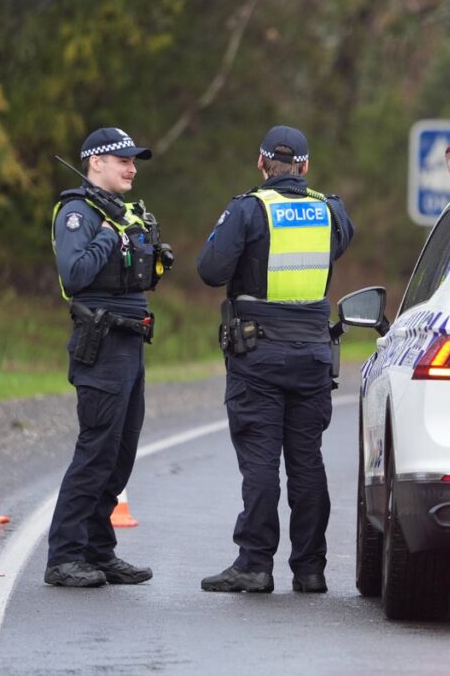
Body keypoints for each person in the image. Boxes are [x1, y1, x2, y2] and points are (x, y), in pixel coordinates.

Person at [197, 125, 354, 593]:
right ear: (305, 166)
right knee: (307, 462)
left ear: (261, 162)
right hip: (313, 354)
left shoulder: (248, 209)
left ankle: (254, 564)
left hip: (258, 354)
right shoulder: (331, 210)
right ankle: (310, 569)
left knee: (261, 462)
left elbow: (210, 270)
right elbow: (339, 244)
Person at [46, 127, 173, 587]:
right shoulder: (79, 213)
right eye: (123, 160)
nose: (132, 168)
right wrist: (107, 235)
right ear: (95, 162)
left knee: (120, 453)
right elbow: (75, 275)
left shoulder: (123, 212)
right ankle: (63, 557)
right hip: (101, 344)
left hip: (131, 341)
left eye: (134, 160)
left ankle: (98, 551)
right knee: (96, 450)